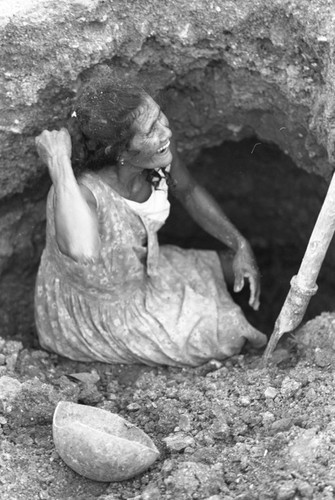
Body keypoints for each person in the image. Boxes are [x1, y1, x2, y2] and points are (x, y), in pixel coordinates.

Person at [34, 73, 267, 367]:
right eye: (150, 129)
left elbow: (189, 190)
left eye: (160, 117)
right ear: (119, 152)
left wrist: (240, 242)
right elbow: (82, 248)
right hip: (106, 310)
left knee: (232, 265)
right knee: (229, 336)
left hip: (143, 269)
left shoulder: (156, 153)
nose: (165, 132)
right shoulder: (79, 192)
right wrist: (58, 163)